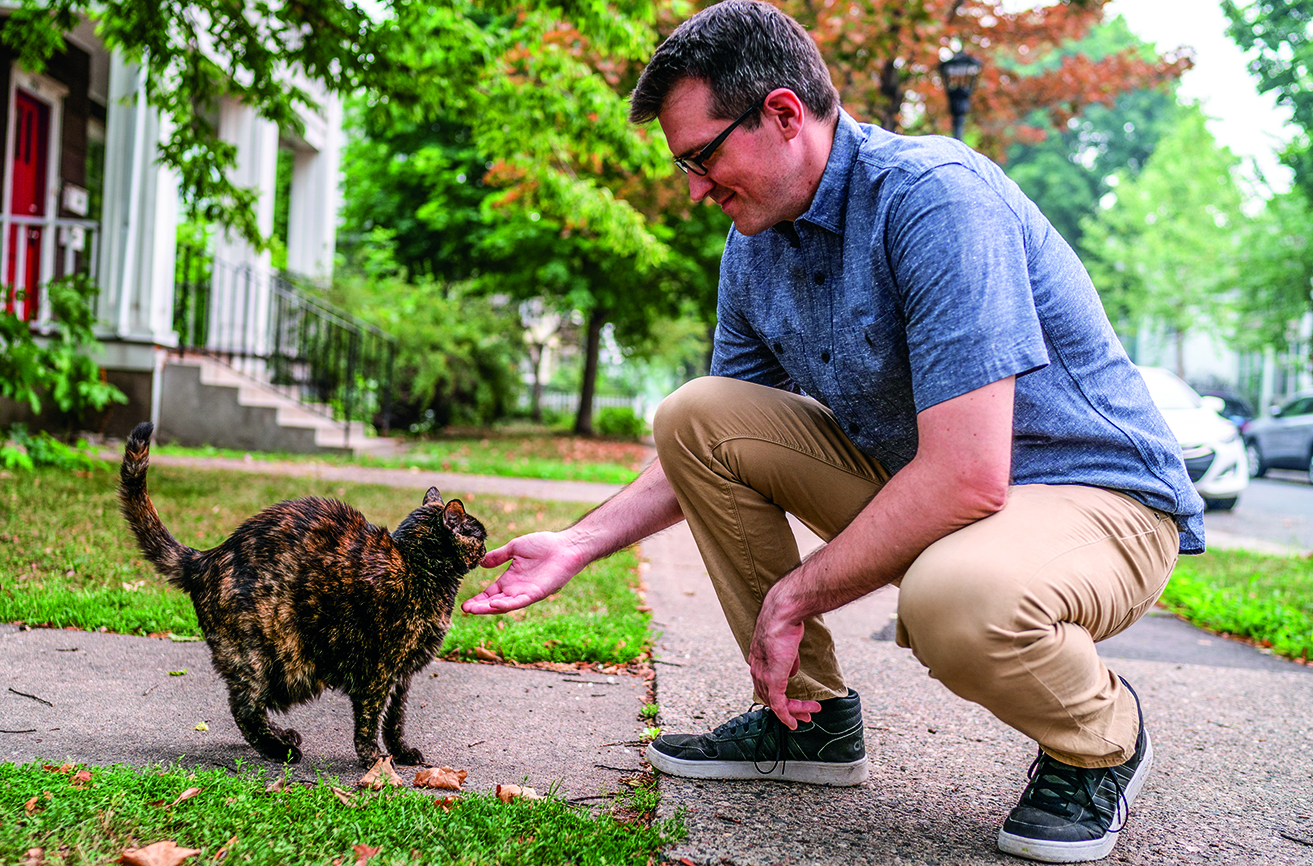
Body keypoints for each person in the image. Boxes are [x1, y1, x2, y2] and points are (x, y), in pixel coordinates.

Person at [462, 1, 1204, 862]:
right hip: (944, 486)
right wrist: (580, 543)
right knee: (695, 413)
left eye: (702, 158)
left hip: (1098, 496)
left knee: (956, 602)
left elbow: (968, 475)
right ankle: (807, 722)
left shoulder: (934, 197)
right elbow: (714, 442)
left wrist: (794, 595)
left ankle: (1101, 739)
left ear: (783, 114)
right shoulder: (755, 244)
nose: (696, 189)